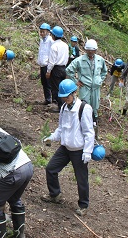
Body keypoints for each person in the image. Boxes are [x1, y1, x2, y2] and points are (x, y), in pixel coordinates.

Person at [41, 79, 95, 217]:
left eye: (67, 96)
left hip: (79, 150)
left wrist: (87, 151)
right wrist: (51, 137)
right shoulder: (64, 108)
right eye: (63, 96)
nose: (65, 99)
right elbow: (61, 128)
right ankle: (55, 194)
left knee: (81, 178)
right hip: (65, 148)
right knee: (51, 169)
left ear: (74, 93)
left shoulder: (84, 108)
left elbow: (89, 132)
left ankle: (83, 205)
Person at [66, 39, 107, 126]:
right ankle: (82, 121)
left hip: (96, 87)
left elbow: (104, 71)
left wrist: (100, 80)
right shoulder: (79, 60)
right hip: (85, 86)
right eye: (88, 50)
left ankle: (94, 120)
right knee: (84, 105)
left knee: (95, 105)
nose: (90, 52)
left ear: (95, 50)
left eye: (92, 50)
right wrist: (76, 81)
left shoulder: (100, 60)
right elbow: (69, 70)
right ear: (85, 50)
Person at [46, 26, 69, 110]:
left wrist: (48, 71)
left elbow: (51, 61)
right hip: (63, 68)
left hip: (56, 69)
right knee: (63, 88)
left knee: (56, 89)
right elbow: (67, 58)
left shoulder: (54, 46)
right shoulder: (65, 45)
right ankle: (65, 105)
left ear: (54, 36)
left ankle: (61, 107)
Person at [37, 23, 55, 105]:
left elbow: (52, 53)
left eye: (43, 32)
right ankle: (47, 99)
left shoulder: (51, 41)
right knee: (44, 82)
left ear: (48, 32)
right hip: (42, 64)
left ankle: (53, 100)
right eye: (41, 32)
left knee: (49, 83)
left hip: (48, 65)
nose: (41, 33)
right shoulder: (41, 41)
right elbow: (41, 52)